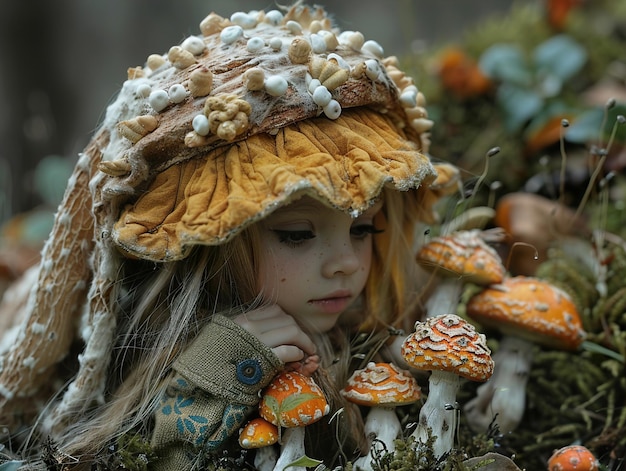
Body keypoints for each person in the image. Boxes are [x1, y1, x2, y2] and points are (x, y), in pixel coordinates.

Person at [0, 3, 454, 470]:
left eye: (363, 228)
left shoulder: (365, 324)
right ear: (211, 241)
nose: (345, 263)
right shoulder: (145, 348)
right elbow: (129, 458)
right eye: (297, 235)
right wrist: (218, 370)